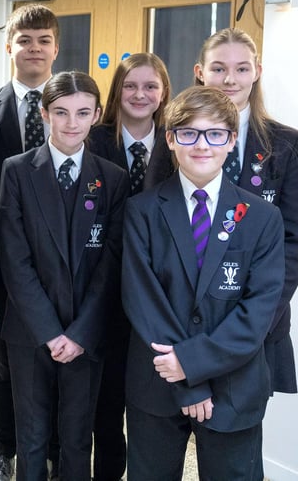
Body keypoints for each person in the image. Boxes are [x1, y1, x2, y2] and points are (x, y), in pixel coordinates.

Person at [122, 85, 285, 480]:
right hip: (157, 383)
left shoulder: (262, 218)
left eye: (214, 134)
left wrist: (192, 363)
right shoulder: (141, 211)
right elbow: (142, 298)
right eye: (188, 133)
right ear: (171, 139)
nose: (201, 145)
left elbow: (258, 311)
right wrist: (183, 375)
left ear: (231, 140)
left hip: (234, 386)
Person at [0, 71, 128, 481]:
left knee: (77, 438)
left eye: (83, 113)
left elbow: (110, 266)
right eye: (61, 112)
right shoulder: (16, 171)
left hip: (86, 333)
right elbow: (14, 259)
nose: (72, 123)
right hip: (31, 330)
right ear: (44, 113)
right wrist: (51, 333)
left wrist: (78, 334)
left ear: (96, 115)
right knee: (32, 435)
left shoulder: (112, 178)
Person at [0, 3, 59, 481]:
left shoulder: (75, 107)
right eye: (25, 40)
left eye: (43, 40)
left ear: (56, 48)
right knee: (5, 365)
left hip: (64, 265)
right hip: (5, 266)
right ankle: (4, 450)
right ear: (10, 47)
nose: (34, 48)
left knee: (59, 359)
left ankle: (52, 449)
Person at [194, 27, 298, 395]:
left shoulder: (286, 145)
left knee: (239, 438)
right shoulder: (173, 137)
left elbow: (293, 243)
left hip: (256, 319)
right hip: (187, 316)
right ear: (200, 72)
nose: (229, 79)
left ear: (257, 71)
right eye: (219, 68)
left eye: (241, 69)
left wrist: (255, 318)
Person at [86, 52, 174, 481]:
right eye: (131, 85)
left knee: (145, 404)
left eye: (151, 86)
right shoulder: (94, 140)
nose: (140, 94)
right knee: (103, 403)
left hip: (157, 293)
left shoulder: (178, 143)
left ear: (163, 93)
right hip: (100, 287)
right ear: (117, 90)